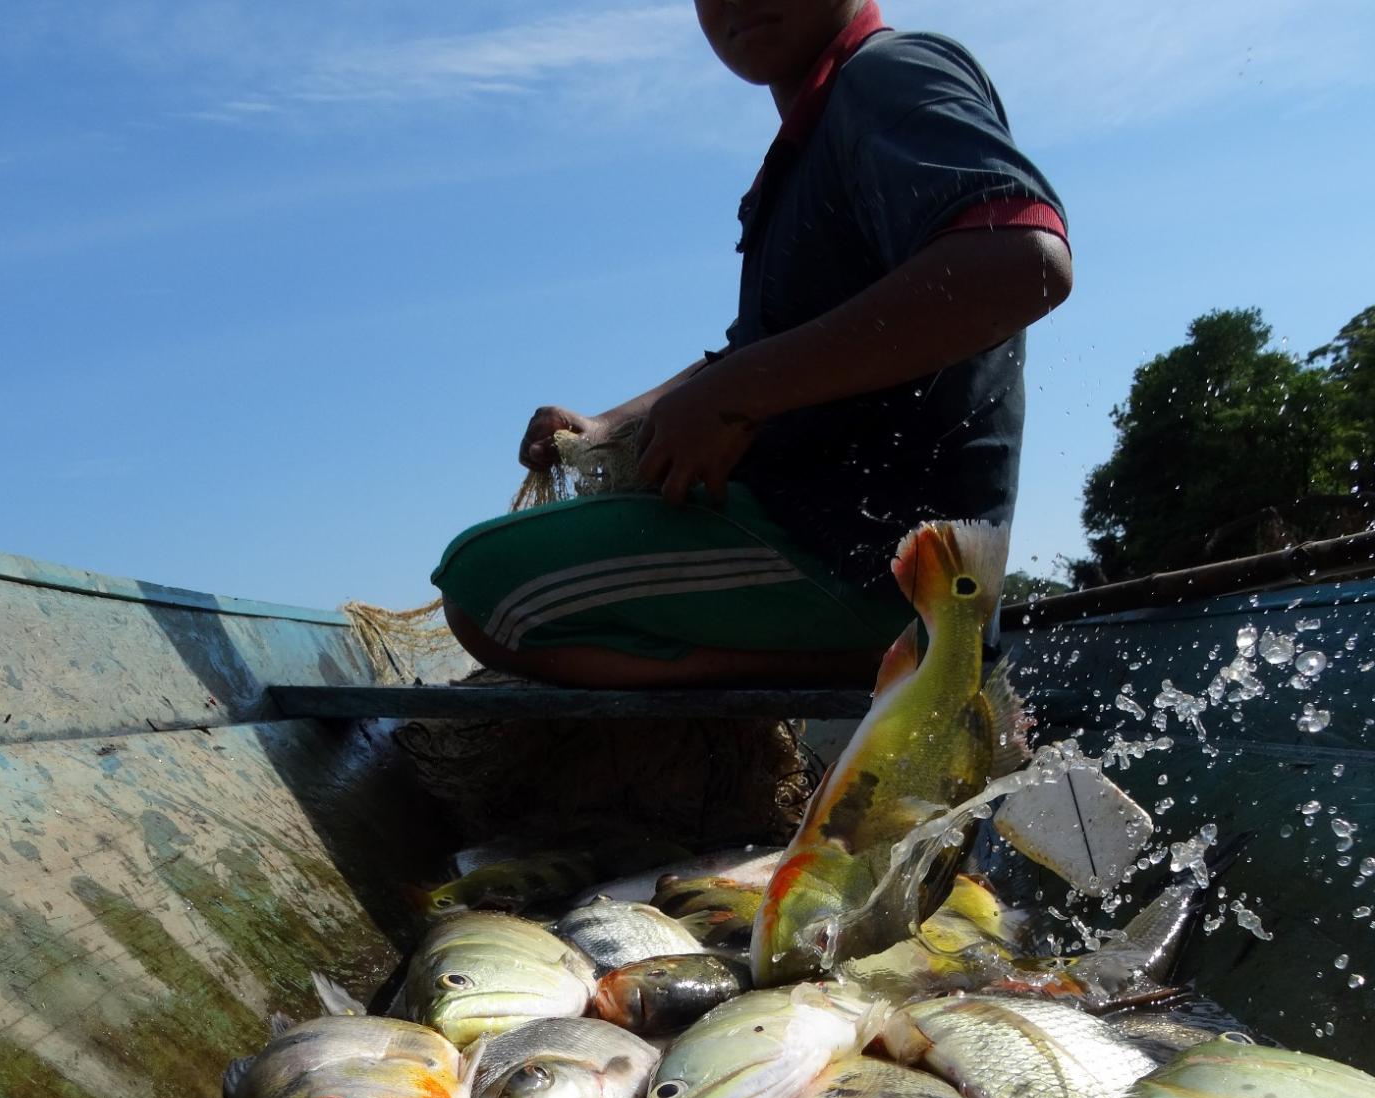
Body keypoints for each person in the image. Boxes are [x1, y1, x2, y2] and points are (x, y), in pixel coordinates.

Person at [435, 0, 1071, 689]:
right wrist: (613, 423)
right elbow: (750, 352)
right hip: (826, 537)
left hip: (869, 565)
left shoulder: (889, 76)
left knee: (485, 593)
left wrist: (738, 396)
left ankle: (892, 661)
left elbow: (1021, 261)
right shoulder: (814, 137)